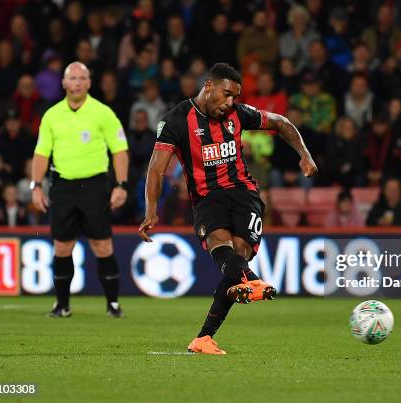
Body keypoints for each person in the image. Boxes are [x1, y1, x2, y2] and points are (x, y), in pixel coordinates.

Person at [139, 63, 317, 354]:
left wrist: (304, 155)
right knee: (227, 256)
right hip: (207, 199)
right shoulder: (176, 121)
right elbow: (156, 170)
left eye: (235, 96)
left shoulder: (238, 114)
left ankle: (205, 336)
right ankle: (244, 290)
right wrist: (151, 210)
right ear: (208, 86)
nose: (230, 102)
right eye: (226, 94)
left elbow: (281, 122)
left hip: (244, 194)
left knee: (237, 262)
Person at [31, 62, 129, 318]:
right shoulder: (52, 115)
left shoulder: (103, 112)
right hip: (62, 186)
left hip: (95, 186)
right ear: (63, 83)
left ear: (89, 83)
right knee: (62, 246)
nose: (76, 82)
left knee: (102, 245)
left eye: (81, 78)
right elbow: (41, 153)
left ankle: (113, 305)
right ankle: (62, 305)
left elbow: (119, 150)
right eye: (72, 78)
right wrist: (36, 186)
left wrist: (121, 185)